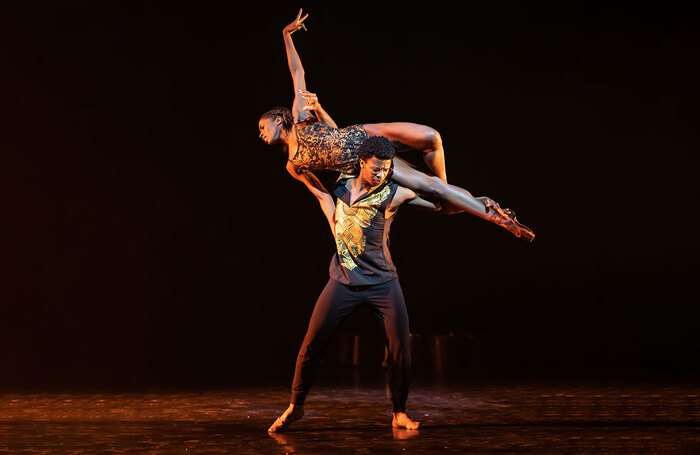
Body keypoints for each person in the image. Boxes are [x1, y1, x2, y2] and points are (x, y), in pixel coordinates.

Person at [258, 9, 535, 242]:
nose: (260, 133)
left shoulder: (300, 117)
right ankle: (497, 217)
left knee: (431, 137)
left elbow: (298, 73)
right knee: (434, 191)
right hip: (367, 160)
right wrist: (336, 228)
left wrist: (286, 35)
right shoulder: (294, 165)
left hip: (366, 133)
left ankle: (450, 194)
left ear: (278, 118)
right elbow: (322, 196)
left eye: (262, 126)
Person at [268, 136, 437, 433]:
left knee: (400, 349)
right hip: (342, 280)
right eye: (375, 169)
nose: (380, 174)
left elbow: (439, 201)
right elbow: (327, 147)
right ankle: (296, 406)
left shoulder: (395, 194)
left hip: (383, 283)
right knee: (312, 342)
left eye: (386, 169)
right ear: (361, 163)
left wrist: (480, 207)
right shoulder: (341, 185)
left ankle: (399, 412)